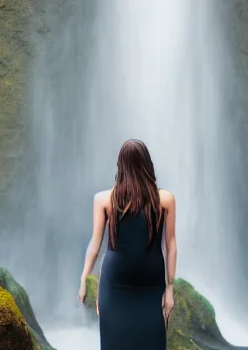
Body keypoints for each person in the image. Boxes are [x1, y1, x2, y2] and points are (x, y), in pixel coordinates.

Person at [78, 139, 177, 350]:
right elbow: (171, 244)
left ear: (120, 166)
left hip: (131, 285)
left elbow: (95, 244)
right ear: (147, 164)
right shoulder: (163, 199)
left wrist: (84, 278)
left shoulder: (106, 199)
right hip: (126, 285)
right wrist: (85, 278)